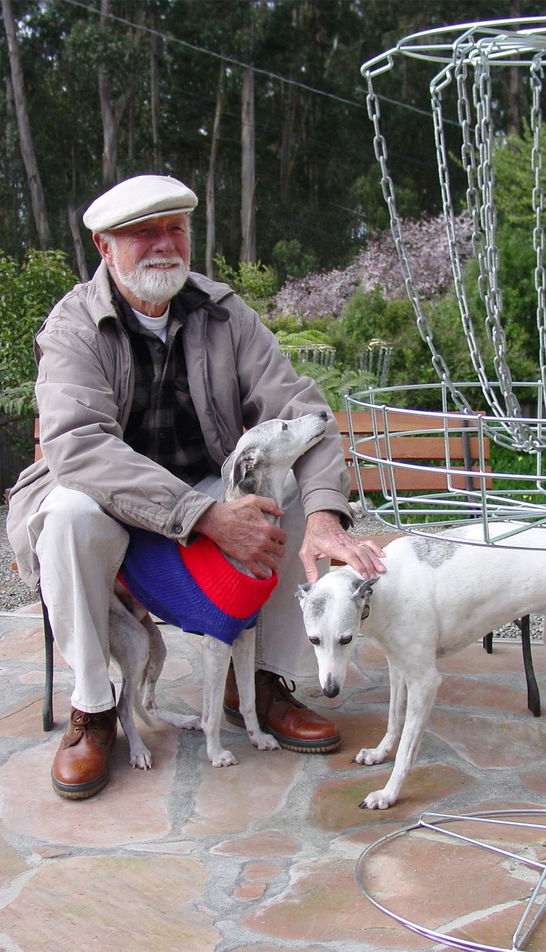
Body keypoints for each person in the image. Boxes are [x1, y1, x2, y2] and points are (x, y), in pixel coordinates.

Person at [6, 174, 385, 800]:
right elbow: (80, 447)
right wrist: (204, 515)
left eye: (175, 229)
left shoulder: (223, 312)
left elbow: (298, 407)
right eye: (144, 233)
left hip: (200, 482)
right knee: (68, 515)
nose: (164, 245)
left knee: (284, 489)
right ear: (105, 247)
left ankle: (260, 682)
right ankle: (94, 707)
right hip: (103, 492)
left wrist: (324, 515)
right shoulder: (73, 324)